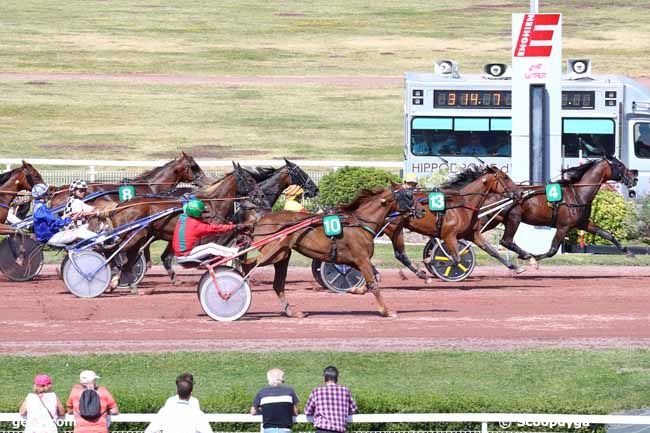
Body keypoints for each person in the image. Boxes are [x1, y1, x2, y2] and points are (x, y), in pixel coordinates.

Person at [172, 198, 248, 261]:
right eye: (201, 213)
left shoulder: (183, 218)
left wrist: (231, 226)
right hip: (185, 255)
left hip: (181, 252)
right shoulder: (197, 226)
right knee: (210, 247)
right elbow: (216, 229)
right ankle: (236, 252)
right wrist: (235, 226)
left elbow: (204, 223)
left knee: (209, 247)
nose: (202, 215)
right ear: (196, 214)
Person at [145, 378, 212, 433]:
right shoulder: (198, 413)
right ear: (190, 394)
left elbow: (149, 431)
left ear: (177, 392)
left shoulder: (165, 411)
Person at [304, 366, 357, 433]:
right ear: (337, 378)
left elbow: (307, 411)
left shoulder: (316, 391)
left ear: (324, 378)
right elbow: (353, 409)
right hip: (339, 429)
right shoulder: (345, 391)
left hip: (322, 428)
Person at [48, 179, 98, 247]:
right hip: (74, 230)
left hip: (73, 228)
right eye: (81, 191)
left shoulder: (73, 200)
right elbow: (78, 214)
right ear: (73, 191)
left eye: (85, 190)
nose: (83, 192)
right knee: (98, 235)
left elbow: (90, 209)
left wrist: (96, 210)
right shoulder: (76, 202)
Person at [250, 368, 299, 433]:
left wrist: (264, 410)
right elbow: (295, 412)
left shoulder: (262, 392)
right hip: (285, 429)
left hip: (268, 429)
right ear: (281, 379)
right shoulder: (290, 391)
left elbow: (253, 411)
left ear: (269, 379)